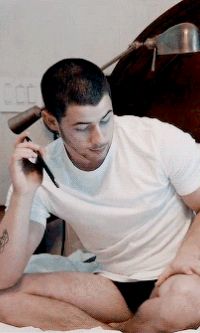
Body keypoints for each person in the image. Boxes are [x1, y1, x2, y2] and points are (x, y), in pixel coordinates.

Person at [1, 58, 200, 333]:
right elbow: (3, 276)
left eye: (106, 119)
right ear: (52, 121)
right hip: (112, 285)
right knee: (3, 298)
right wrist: (23, 195)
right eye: (82, 127)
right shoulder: (41, 171)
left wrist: (188, 257)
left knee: (180, 306)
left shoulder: (157, 140)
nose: (99, 138)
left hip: (176, 278)